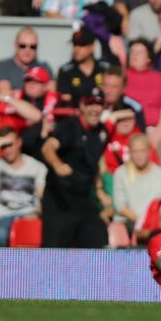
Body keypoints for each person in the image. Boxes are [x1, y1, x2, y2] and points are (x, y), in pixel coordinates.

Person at [40, 91, 108, 247]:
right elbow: (47, 148)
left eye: (99, 104)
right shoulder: (69, 126)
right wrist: (58, 165)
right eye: (90, 104)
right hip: (59, 200)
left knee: (99, 238)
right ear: (82, 106)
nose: (95, 109)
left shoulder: (101, 131)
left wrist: (99, 189)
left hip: (83, 199)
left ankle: (97, 271)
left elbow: (94, 163)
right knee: (54, 251)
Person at [112, 133, 161, 229]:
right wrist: (140, 222)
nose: (139, 155)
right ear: (130, 153)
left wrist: (149, 223)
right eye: (135, 151)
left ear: (149, 151)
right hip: (128, 223)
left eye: (142, 151)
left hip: (154, 224)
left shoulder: (160, 174)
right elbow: (120, 205)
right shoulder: (121, 173)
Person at [56, 28, 112, 105]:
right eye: (75, 45)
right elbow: (65, 99)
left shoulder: (105, 69)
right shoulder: (66, 71)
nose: (76, 49)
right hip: (75, 115)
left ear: (92, 47)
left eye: (81, 45)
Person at [0, 27, 53, 94]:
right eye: (22, 46)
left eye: (33, 46)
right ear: (15, 46)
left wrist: (16, 93)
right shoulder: (2, 66)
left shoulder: (45, 67)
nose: (27, 50)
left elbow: (51, 95)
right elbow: (5, 95)